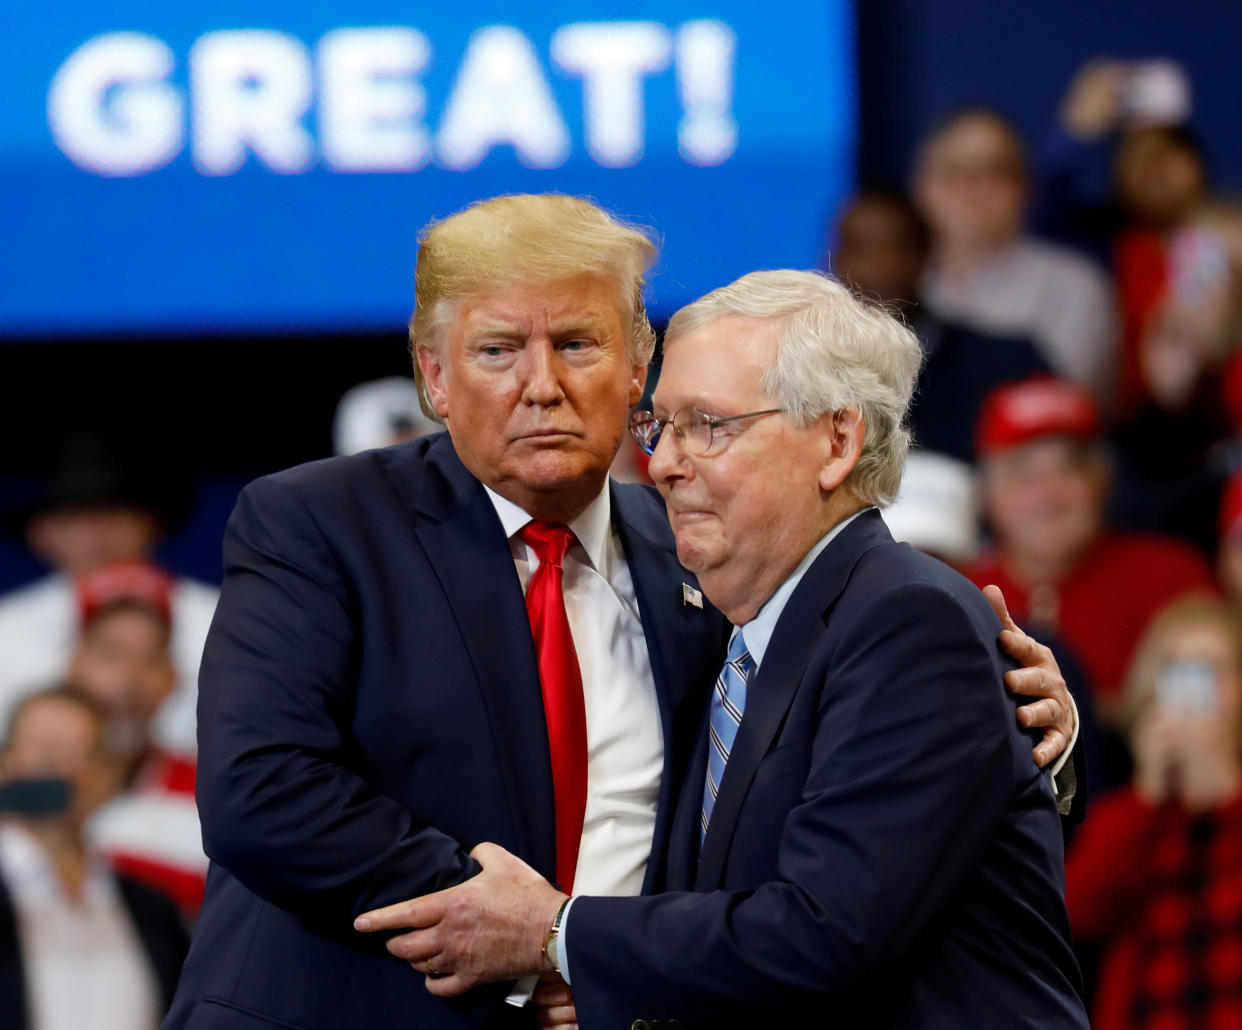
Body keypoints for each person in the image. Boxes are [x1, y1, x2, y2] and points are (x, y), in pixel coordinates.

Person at [168, 195, 1076, 1030]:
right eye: (496, 351)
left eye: (576, 345)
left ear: (638, 365)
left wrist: (1024, 734)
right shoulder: (318, 524)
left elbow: (831, 794)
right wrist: (524, 934)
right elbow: (260, 790)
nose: (541, 386)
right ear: (433, 379)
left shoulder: (709, 558)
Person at [969, 376, 1216, 728]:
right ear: (986, 496)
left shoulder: (1171, 578)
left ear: (1104, 481)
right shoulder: (962, 593)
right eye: (1023, 474)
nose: (1047, 496)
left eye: (1069, 469)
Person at [1066, 596, 1242, 1030]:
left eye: (1211, 673)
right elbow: (1078, 915)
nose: (1192, 695)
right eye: (1176, 674)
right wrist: (1148, 794)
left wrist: (1226, 792)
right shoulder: (1129, 812)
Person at [0, 432, 217, 757]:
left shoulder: (222, 616)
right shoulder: (5, 626)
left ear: (152, 523)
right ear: (41, 533)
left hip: (186, 803)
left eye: (114, 514)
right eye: (75, 518)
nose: (96, 534)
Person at [0, 684, 189, 1028]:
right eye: (48, 751)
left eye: (86, 753)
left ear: (108, 773)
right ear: (7, 763)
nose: (67, 771)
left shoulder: (153, 910)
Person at [832, 188, 1051, 463]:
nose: (881, 264)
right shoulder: (806, 376)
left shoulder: (1009, 364)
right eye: (861, 249)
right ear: (835, 262)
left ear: (926, 256)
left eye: (897, 247)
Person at [913, 107, 1116, 399]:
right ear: (922, 187)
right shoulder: (896, 287)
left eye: (993, 170)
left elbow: (1065, 409)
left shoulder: (1075, 286)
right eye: (953, 171)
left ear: (1025, 187)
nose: (971, 187)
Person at [67, 563, 207, 917]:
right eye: (110, 654)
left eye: (150, 658)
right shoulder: (17, 784)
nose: (129, 679)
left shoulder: (213, 794)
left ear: (173, 678)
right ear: (73, 664)